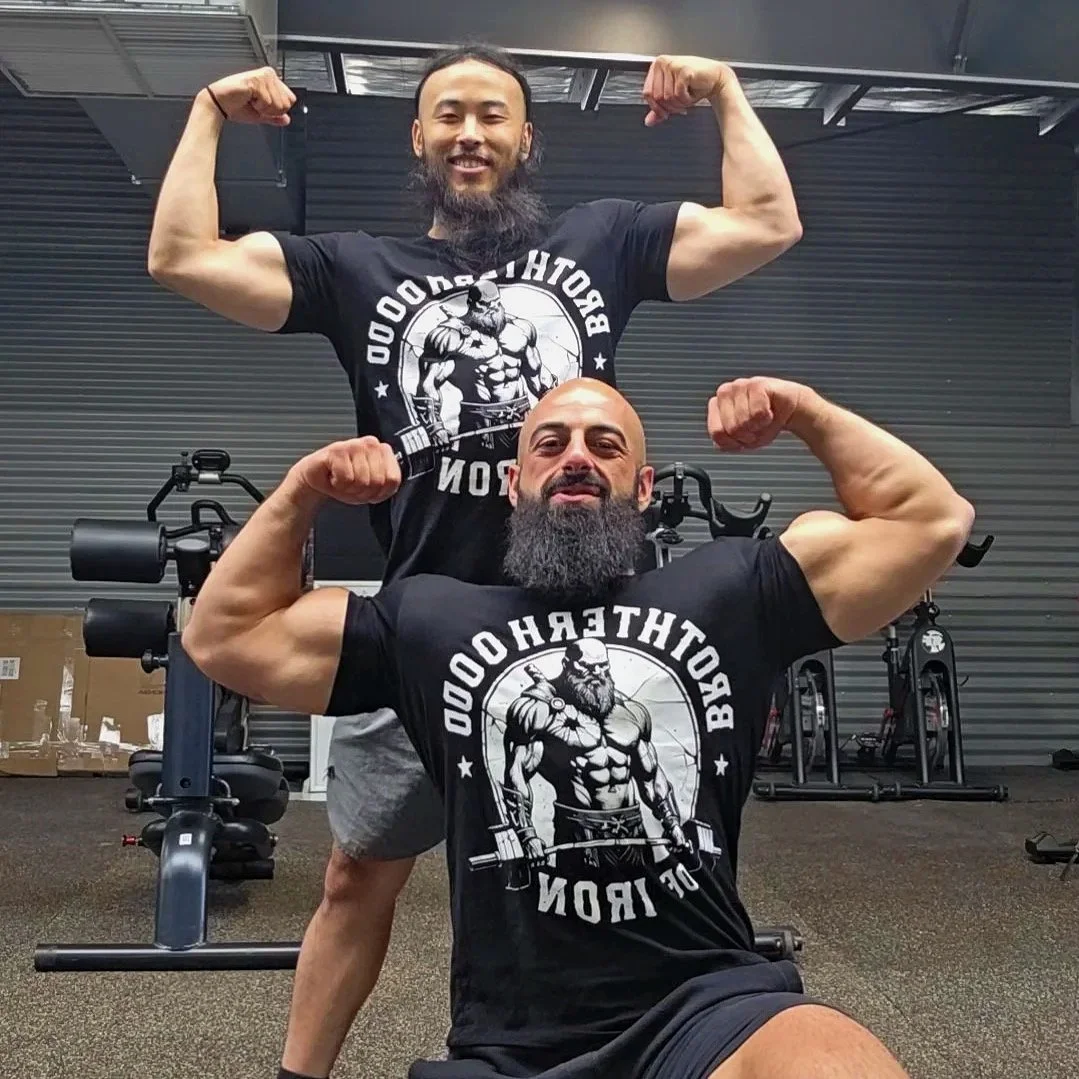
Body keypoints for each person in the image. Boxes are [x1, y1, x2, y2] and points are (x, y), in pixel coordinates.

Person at [147, 42, 803, 1078]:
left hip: (598, 619)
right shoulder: (356, 268)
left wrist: (725, 90)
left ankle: (666, 1041)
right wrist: (206, 111)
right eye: (447, 115)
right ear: (418, 137)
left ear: (523, 137)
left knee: (628, 863)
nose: (469, 134)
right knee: (355, 876)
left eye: (492, 116)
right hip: (424, 628)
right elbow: (181, 257)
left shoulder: (603, 242)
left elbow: (766, 223)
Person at [183, 374, 975, 1079]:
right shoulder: (431, 618)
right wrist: (301, 490)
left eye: (606, 444)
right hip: (509, 1045)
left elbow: (932, 519)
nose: (577, 457)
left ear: (642, 487)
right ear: (511, 480)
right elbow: (223, 635)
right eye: (549, 443)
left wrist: (803, 410)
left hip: (707, 1011)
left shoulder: (730, 588)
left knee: (831, 1057)